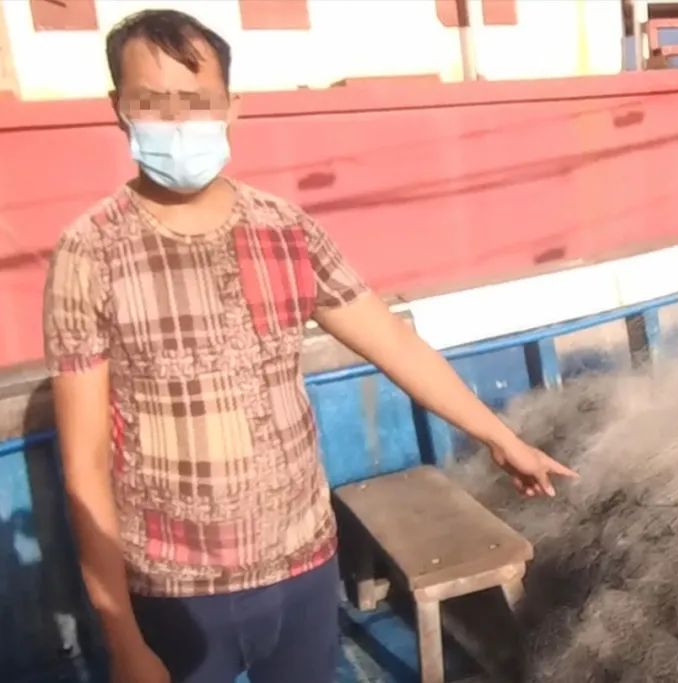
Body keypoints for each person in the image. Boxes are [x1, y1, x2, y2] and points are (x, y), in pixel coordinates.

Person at [43, 9, 577, 683]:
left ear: (232, 107)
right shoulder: (89, 253)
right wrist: (123, 639)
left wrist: (501, 438)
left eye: (197, 100)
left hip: (302, 569)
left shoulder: (285, 230)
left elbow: (394, 343)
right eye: (152, 101)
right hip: (174, 592)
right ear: (118, 109)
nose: (176, 121)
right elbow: (86, 464)